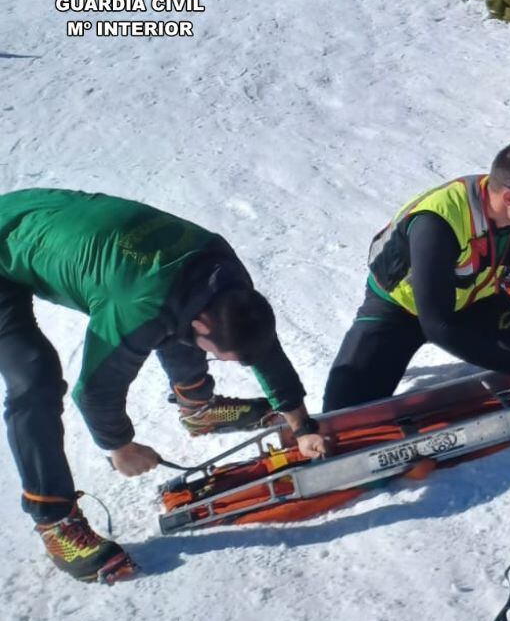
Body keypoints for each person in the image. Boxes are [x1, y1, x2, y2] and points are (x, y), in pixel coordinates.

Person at [0, 189, 322, 584]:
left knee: (174, 316)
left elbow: (258, 343)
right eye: (225, 356)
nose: (231, 360)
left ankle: (198, 409)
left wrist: (302, 425)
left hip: (44, 220)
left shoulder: (225, 275)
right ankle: (54, 520)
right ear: (204, 325)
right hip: (15, 240)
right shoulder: (137, 303)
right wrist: (120, 446)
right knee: (35, 379)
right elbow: (96, 391)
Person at [322, 143, 510, 412]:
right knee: (344, 409)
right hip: (399, 310)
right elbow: (436, 324)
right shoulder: (437, 223)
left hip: (474, 299)